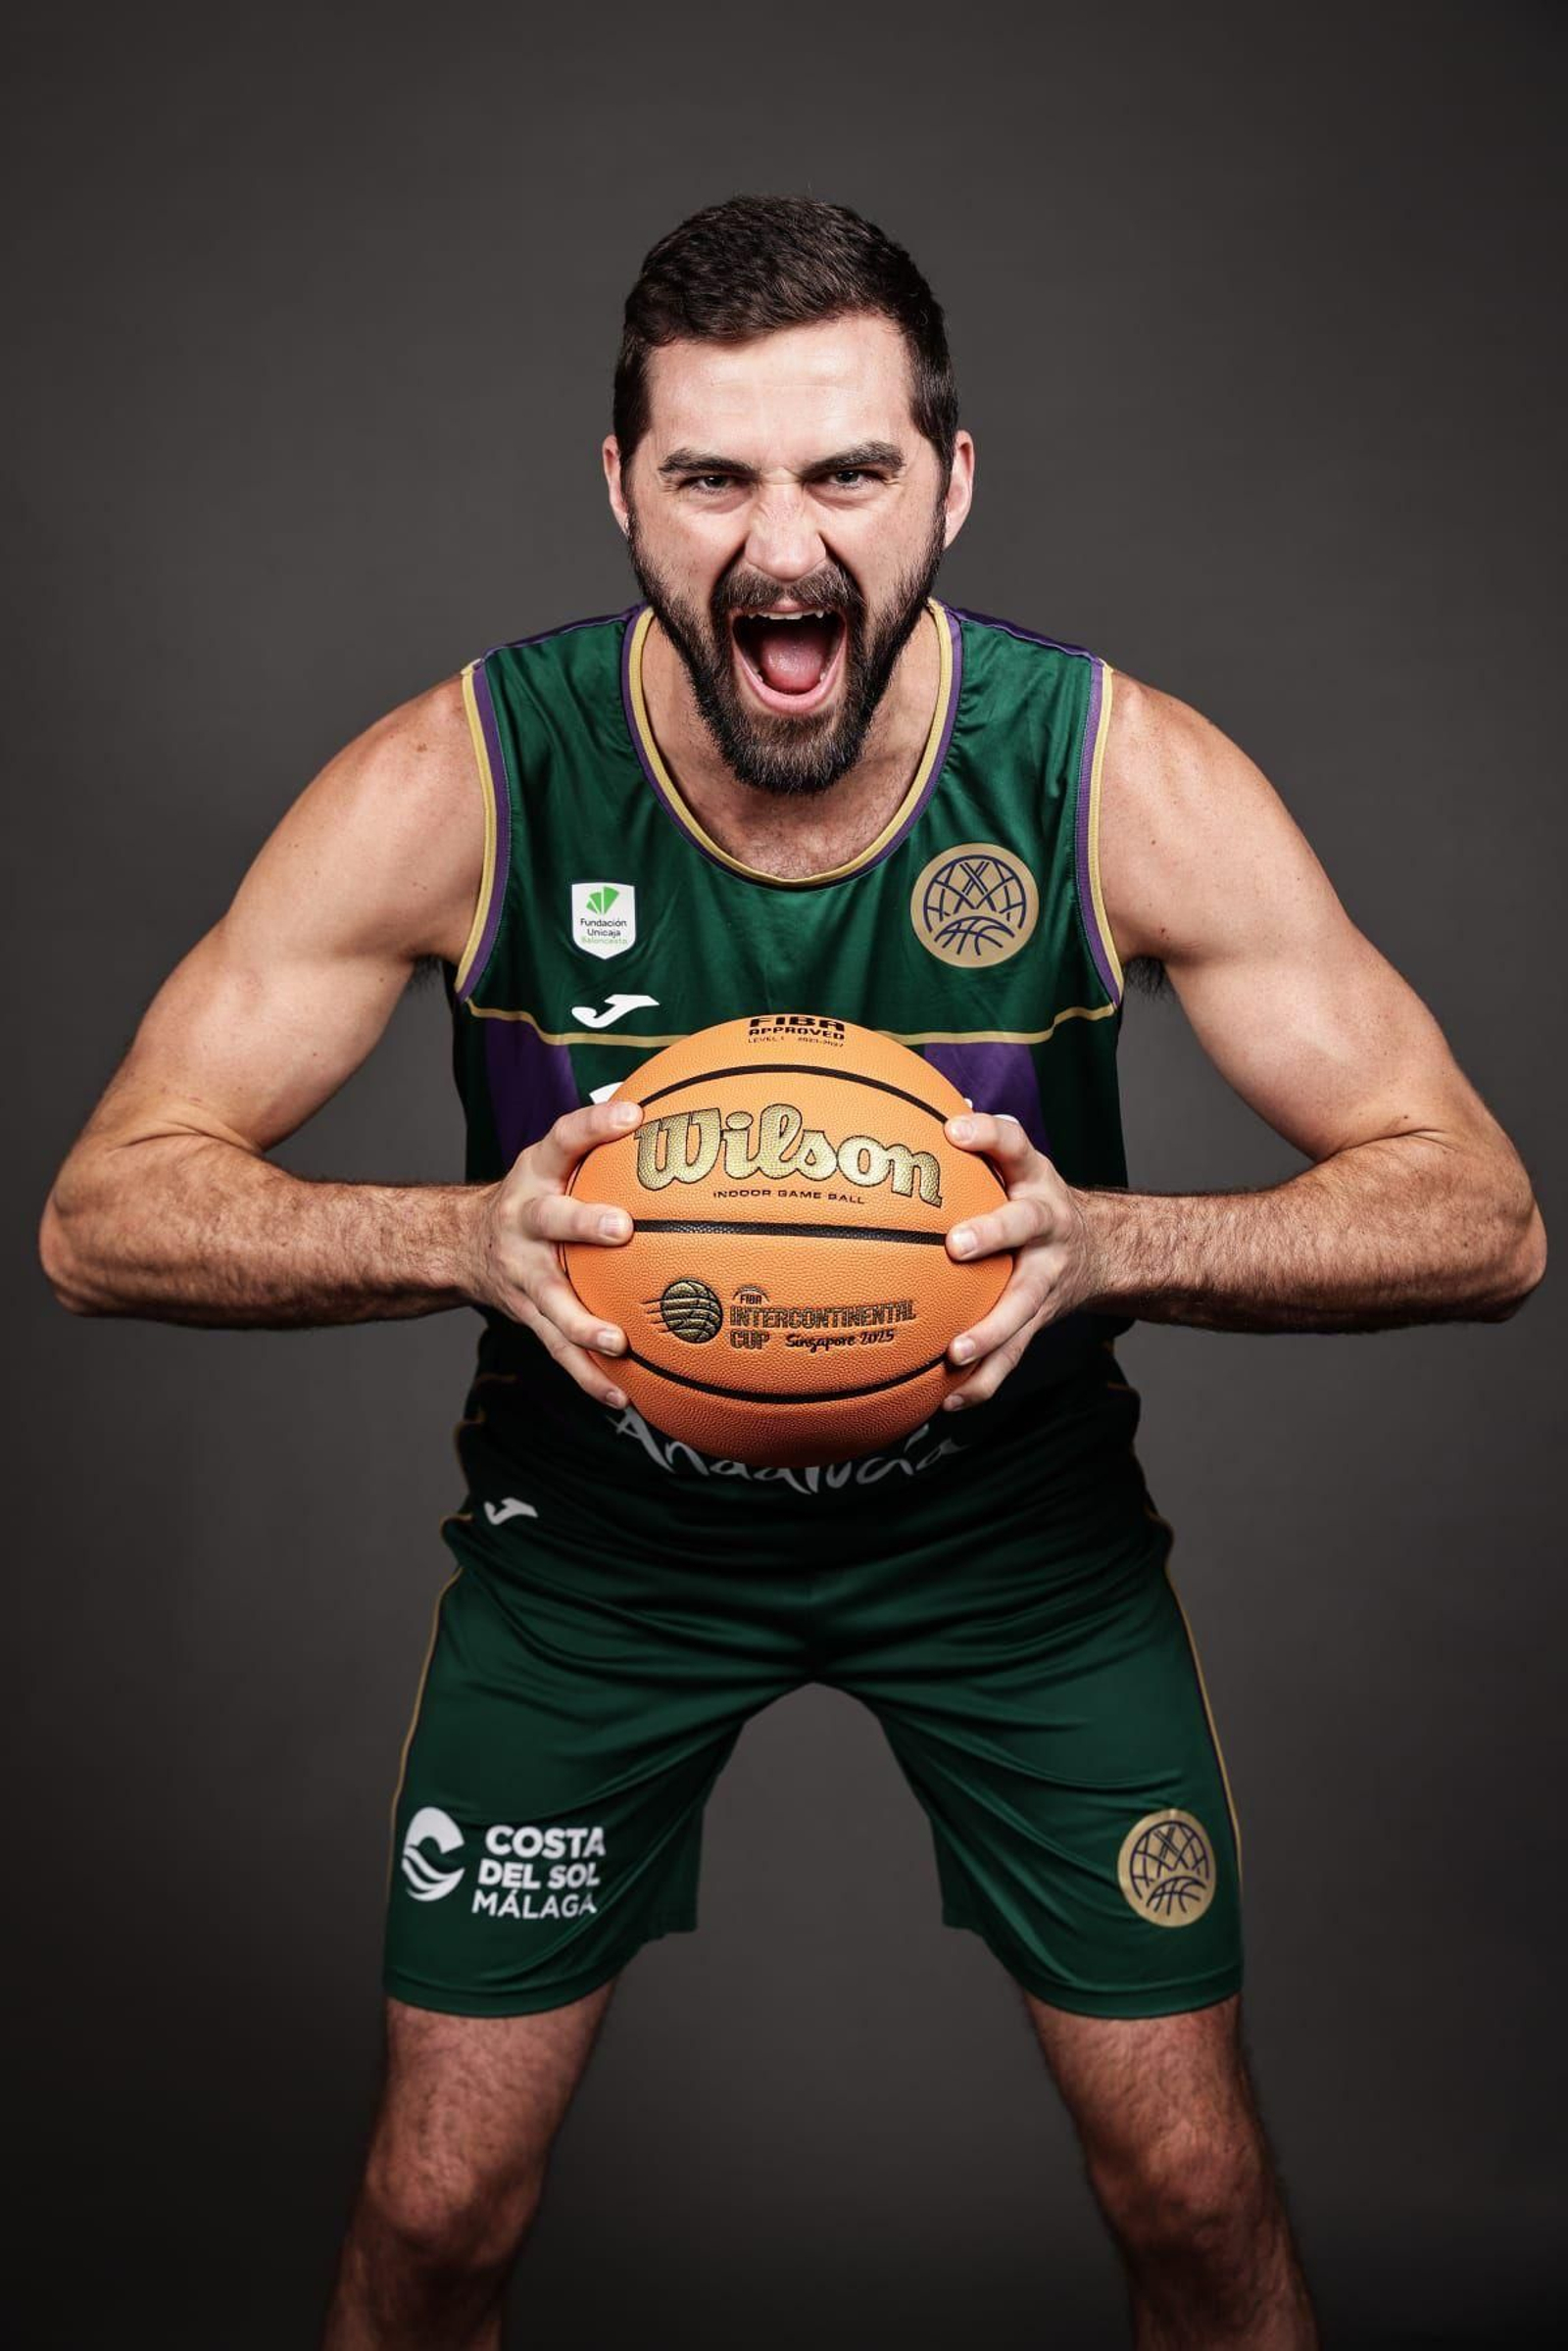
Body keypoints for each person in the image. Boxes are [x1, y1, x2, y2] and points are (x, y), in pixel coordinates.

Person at [39, 194, 1544, 2351]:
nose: (780, 547)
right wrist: (459, 1237)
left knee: (1193, 2195)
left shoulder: (1107, 774)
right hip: (601, 1557)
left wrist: (1110, 1242)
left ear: (947, 478)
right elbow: (103, 1215)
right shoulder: (465, 779)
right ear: (618, 492)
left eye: (843, 472)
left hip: (1011, 1551)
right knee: (439, 2205)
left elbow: (1477, 1212)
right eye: (712, 477)